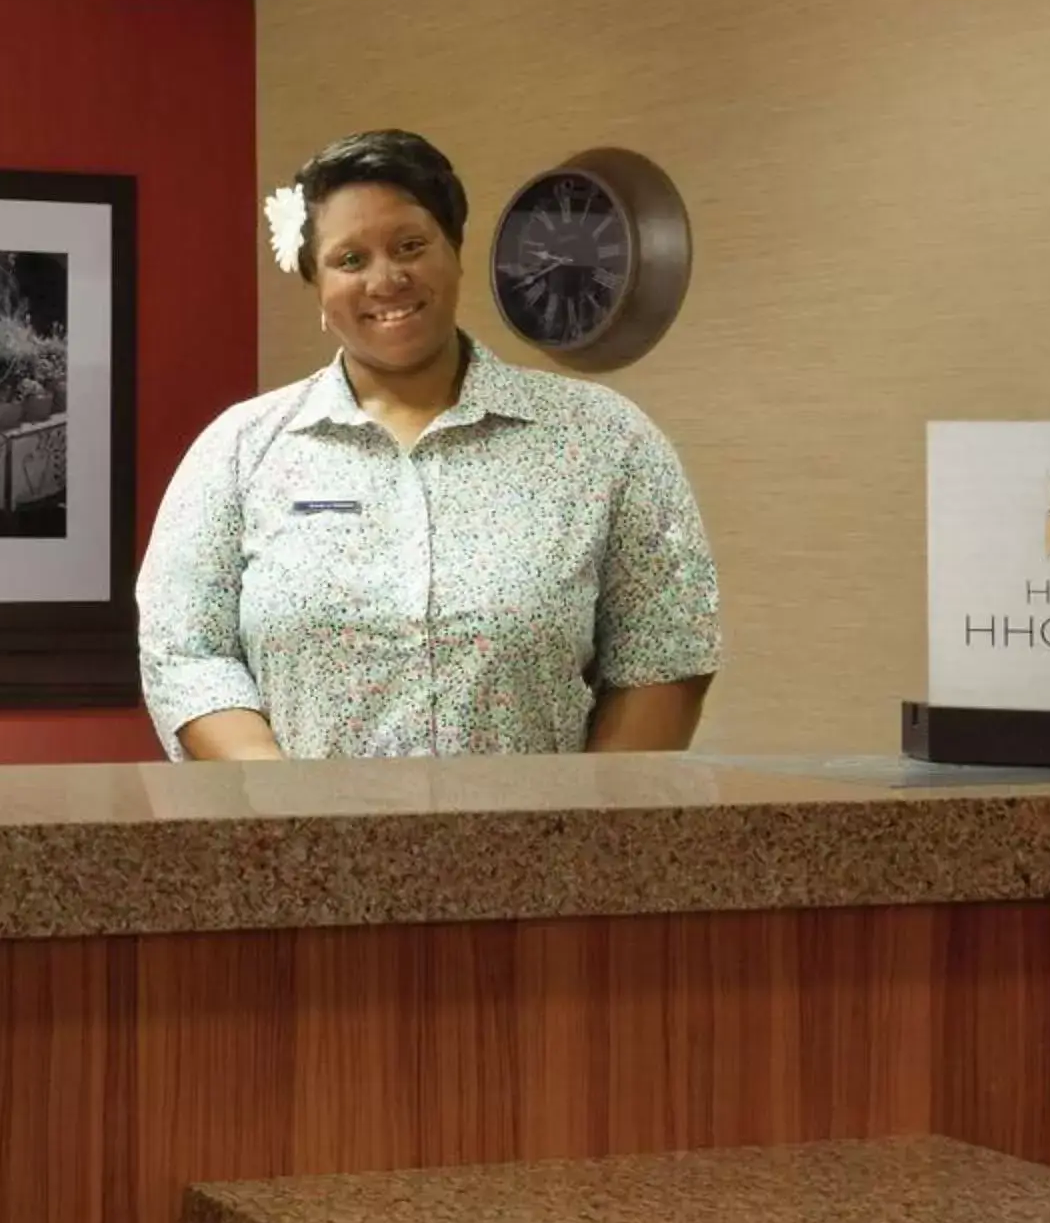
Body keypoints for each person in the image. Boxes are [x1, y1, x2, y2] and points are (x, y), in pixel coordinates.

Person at [138, 129, 721, 760]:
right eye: (350, 260)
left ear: (456, 251)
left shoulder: (605, 439)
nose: (387, 280)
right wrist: (288, 811)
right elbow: (186, 654)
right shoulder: (240, 451)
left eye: (410, 246)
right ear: (317, 283)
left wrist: (590, 834)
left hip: (538, 848)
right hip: (301, 847)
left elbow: (665, 652)